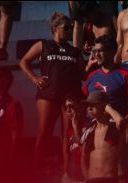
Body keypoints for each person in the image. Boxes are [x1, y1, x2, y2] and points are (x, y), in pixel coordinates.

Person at [19, 12, 84, 165]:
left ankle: (67, 167)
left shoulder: (74, 51)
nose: (68, 31)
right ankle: (38, 165)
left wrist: (92, 62)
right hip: (49, 93)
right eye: (65, 28)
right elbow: (24, 61)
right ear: (55, 28)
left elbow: (82, 73)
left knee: (67, 132)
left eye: (70, 28)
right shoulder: (44, 45)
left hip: (70, 95)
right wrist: (34, 78)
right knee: (44, 131)